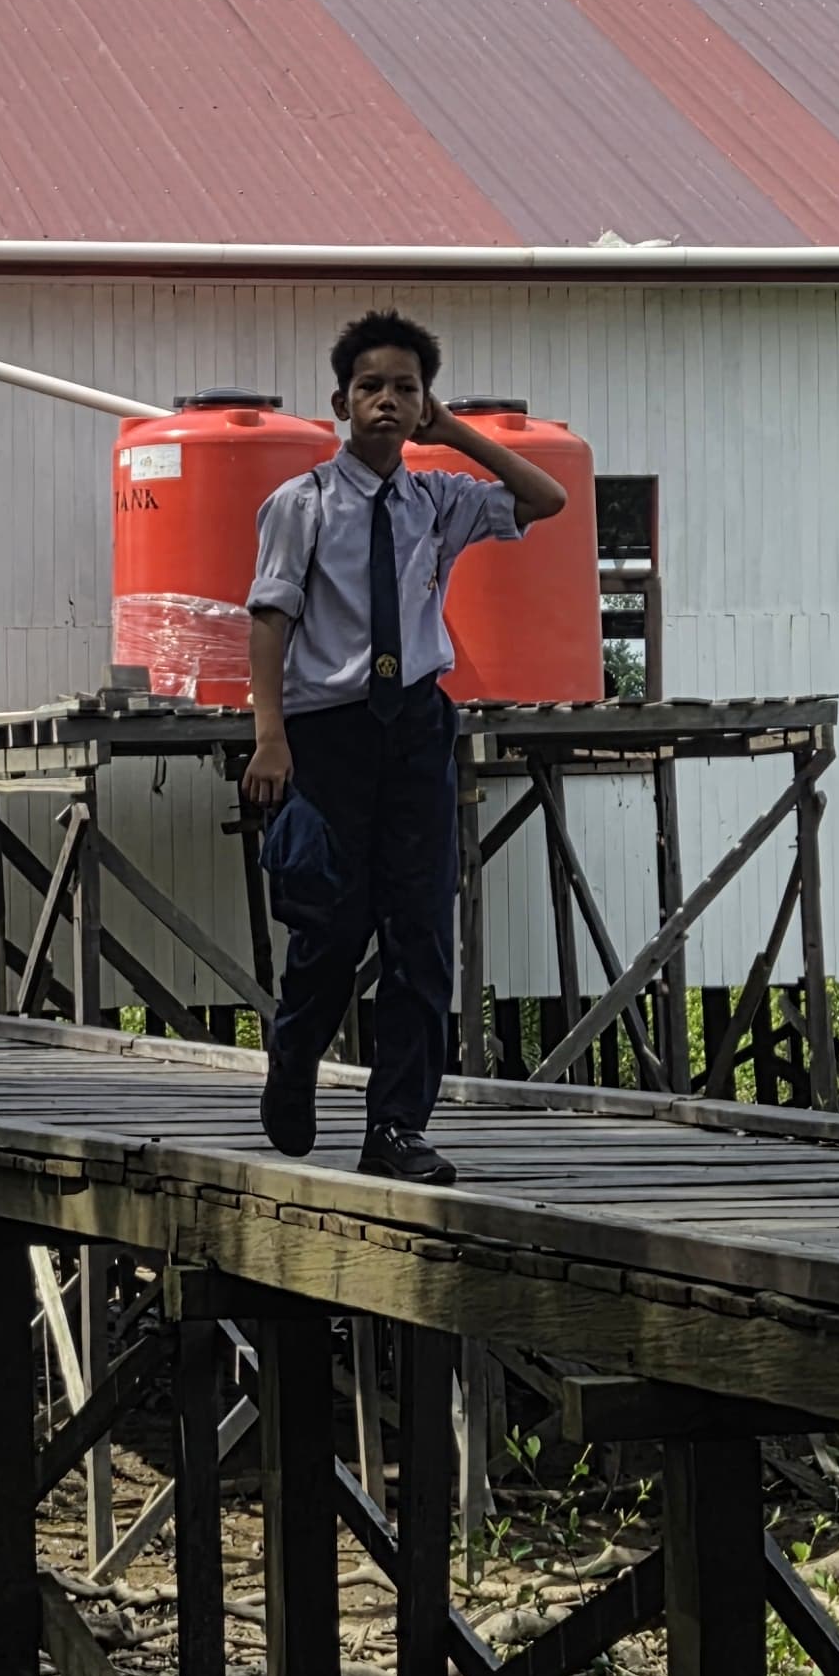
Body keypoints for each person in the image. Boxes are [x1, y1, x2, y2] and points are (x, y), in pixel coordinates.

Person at [240, 311, 568, 1185]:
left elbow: (548, 501)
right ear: (340, 401)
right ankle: (294, 1051)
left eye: (406, 388)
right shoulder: (301, 505)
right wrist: (269, 737)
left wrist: (456, 432)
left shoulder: (439, 501)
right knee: (332, 928)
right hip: (328, 732)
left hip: (418, 728)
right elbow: (270, 621)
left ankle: (396, 1127)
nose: (388, 400)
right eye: (372, 387)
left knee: (421, 933)